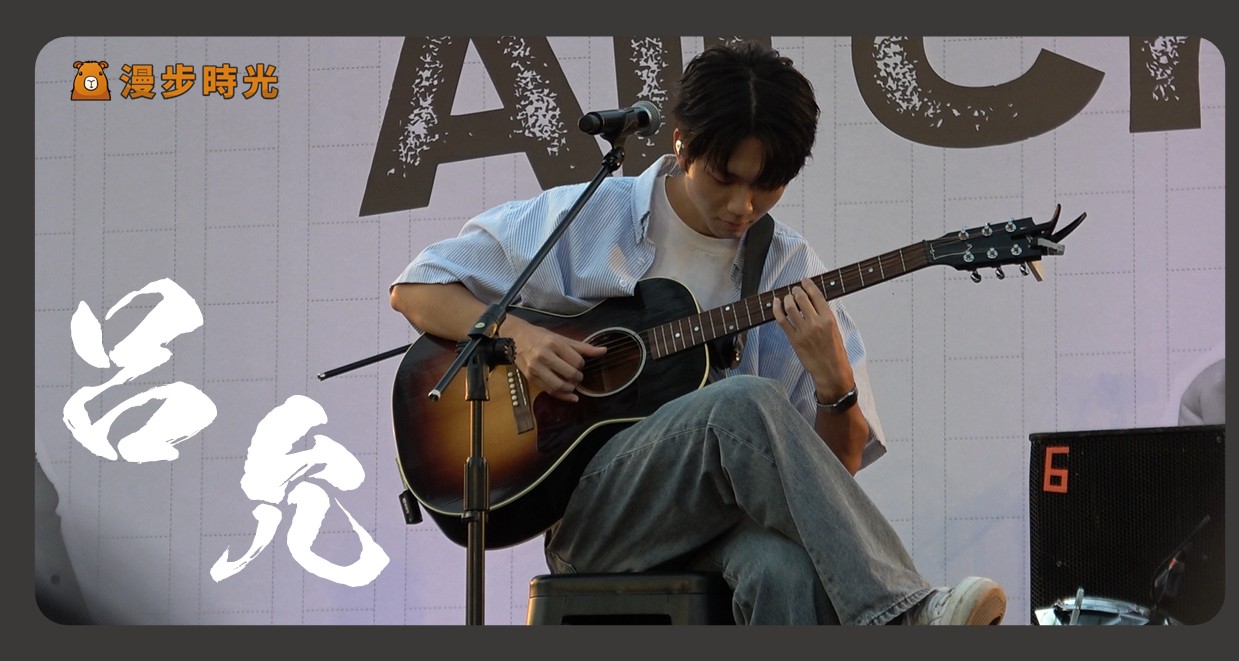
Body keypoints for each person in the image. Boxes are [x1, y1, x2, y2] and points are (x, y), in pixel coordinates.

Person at [389, 41, 1006, 625]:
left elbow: (824, 482)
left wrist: (834, 384)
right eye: (724, 178)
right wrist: (520, 337)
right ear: (682, 145)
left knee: (784, 569)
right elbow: (417, 288)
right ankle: (905, 613)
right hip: (596, 520)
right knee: (742, 403)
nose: (743, 206)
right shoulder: (593, 217)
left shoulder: (786, 267)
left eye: (766, 186)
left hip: (716, 524)